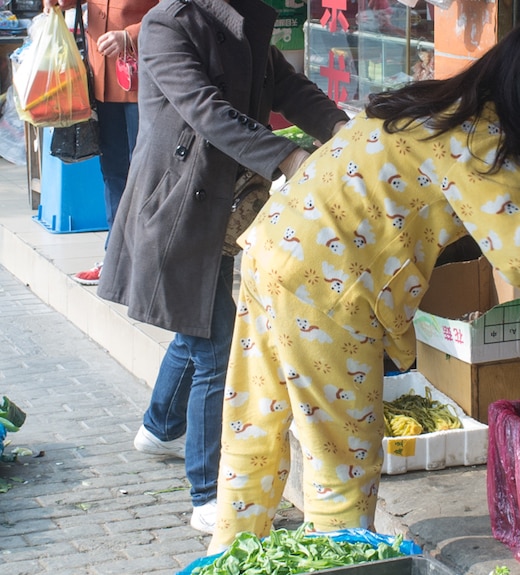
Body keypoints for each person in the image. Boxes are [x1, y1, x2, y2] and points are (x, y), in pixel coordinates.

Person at [207, 16, 520, 553]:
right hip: (325, 289)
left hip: (272, 253)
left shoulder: (428, 106)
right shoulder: (476, 139)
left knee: (255, 428)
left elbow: (503, 240)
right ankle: (336, 563)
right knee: (341, 456)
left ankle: (228, 557)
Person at [95, 0, 349, 533]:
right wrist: (286, 155)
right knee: (216, 345)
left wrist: (342, 130)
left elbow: (289, 87)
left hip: (222, 203)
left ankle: (160, 427)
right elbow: (205, 110)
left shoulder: (248, 21)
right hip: (177, 206)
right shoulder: (170, 23)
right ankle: (208, 494)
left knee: (197, 328)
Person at [42, 0, 160, 286]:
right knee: (113, 172)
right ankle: (116, 257)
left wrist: (130, 35)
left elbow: (180, 10)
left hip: (144, 81)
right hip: (102, 81)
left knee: (146, 175)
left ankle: (149, 263)